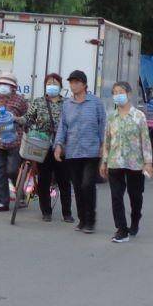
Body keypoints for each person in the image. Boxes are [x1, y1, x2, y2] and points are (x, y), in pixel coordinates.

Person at [54, 69, 106, 234]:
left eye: (76, 82)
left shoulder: (96, 103)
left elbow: (103, 125)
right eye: (71, 82)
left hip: (91, 151)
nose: (73, 85)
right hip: (73, 152)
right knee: (77, 187)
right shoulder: (67, 105)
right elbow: (63, 127)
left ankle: (90, 220)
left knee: (87, 184)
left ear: (84, 84)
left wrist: (103, 145)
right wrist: (58, 145)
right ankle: (82, 219)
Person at [101, 82, 153, 242]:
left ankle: (135, 220)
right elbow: (107, 140)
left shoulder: (139, 116)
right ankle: (121, 230)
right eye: (115, 92)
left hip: (135, 163)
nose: (118, 95)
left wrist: (148, 162)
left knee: (135, 196)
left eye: (121, 92)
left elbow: (145, 140)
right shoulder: (111, 117)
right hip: (115, 161)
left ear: (129, 94)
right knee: (116, 196)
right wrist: (104, 162)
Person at [28, 72, 73, 223]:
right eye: (48, 84)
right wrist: (16, 120)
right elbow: (28, 119)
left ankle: (67, 213)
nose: (51, 86)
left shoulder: (67, 103)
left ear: (60, 86)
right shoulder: (38, 102)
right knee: (44, 180)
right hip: (42, 146)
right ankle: (46, 211)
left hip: (62, 147)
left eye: (55, 83)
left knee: (64, 181)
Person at [0, 72, 29, 212]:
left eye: (6, 84)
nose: (3, 87)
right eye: (1, 84)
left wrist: (16, 119)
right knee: (0, 172)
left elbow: (28, 117)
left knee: (12, 171)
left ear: (13, 87)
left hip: (15, 141)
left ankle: (21, 194)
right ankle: (3, 202)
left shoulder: (20, 100)